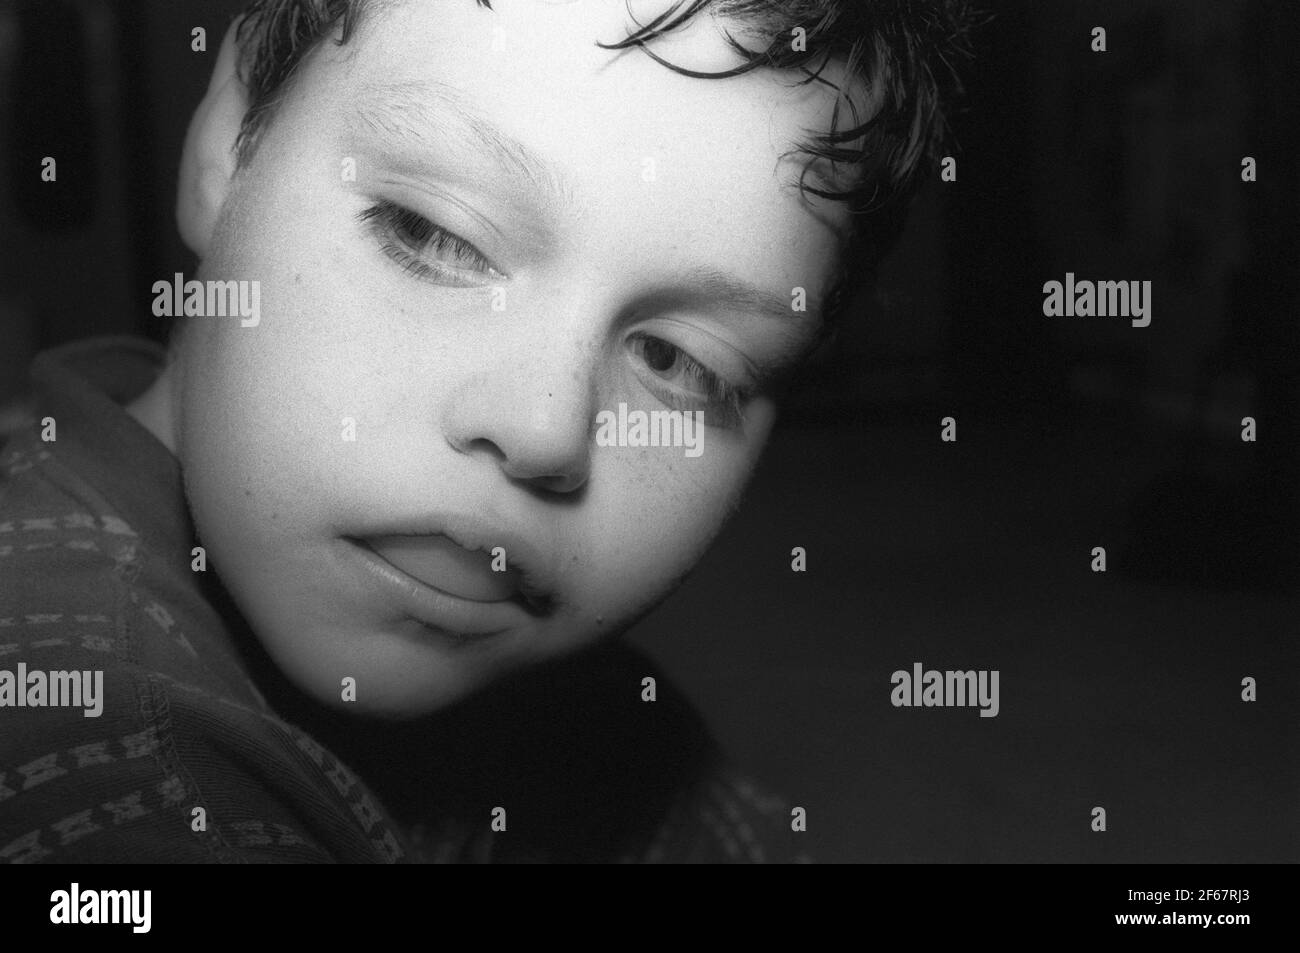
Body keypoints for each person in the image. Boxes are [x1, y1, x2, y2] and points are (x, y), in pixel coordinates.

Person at [0, 0, 973, 862]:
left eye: (681, 363)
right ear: (228, 141)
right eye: (433, 236)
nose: (545, 428)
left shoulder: (595, 731)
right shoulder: (105, 763)